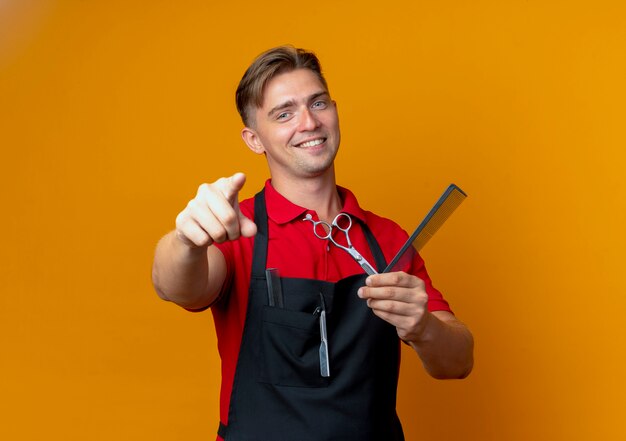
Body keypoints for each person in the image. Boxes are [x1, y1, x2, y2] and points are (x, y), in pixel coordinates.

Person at [152, 45, 473, 441]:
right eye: (284, 113)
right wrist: (185, 240)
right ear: (254, 140)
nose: (308, 122)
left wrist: (422, 326)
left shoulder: (388, 239)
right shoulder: (237, 228)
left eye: (318, 103)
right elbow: (175, 286)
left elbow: (458, 362)